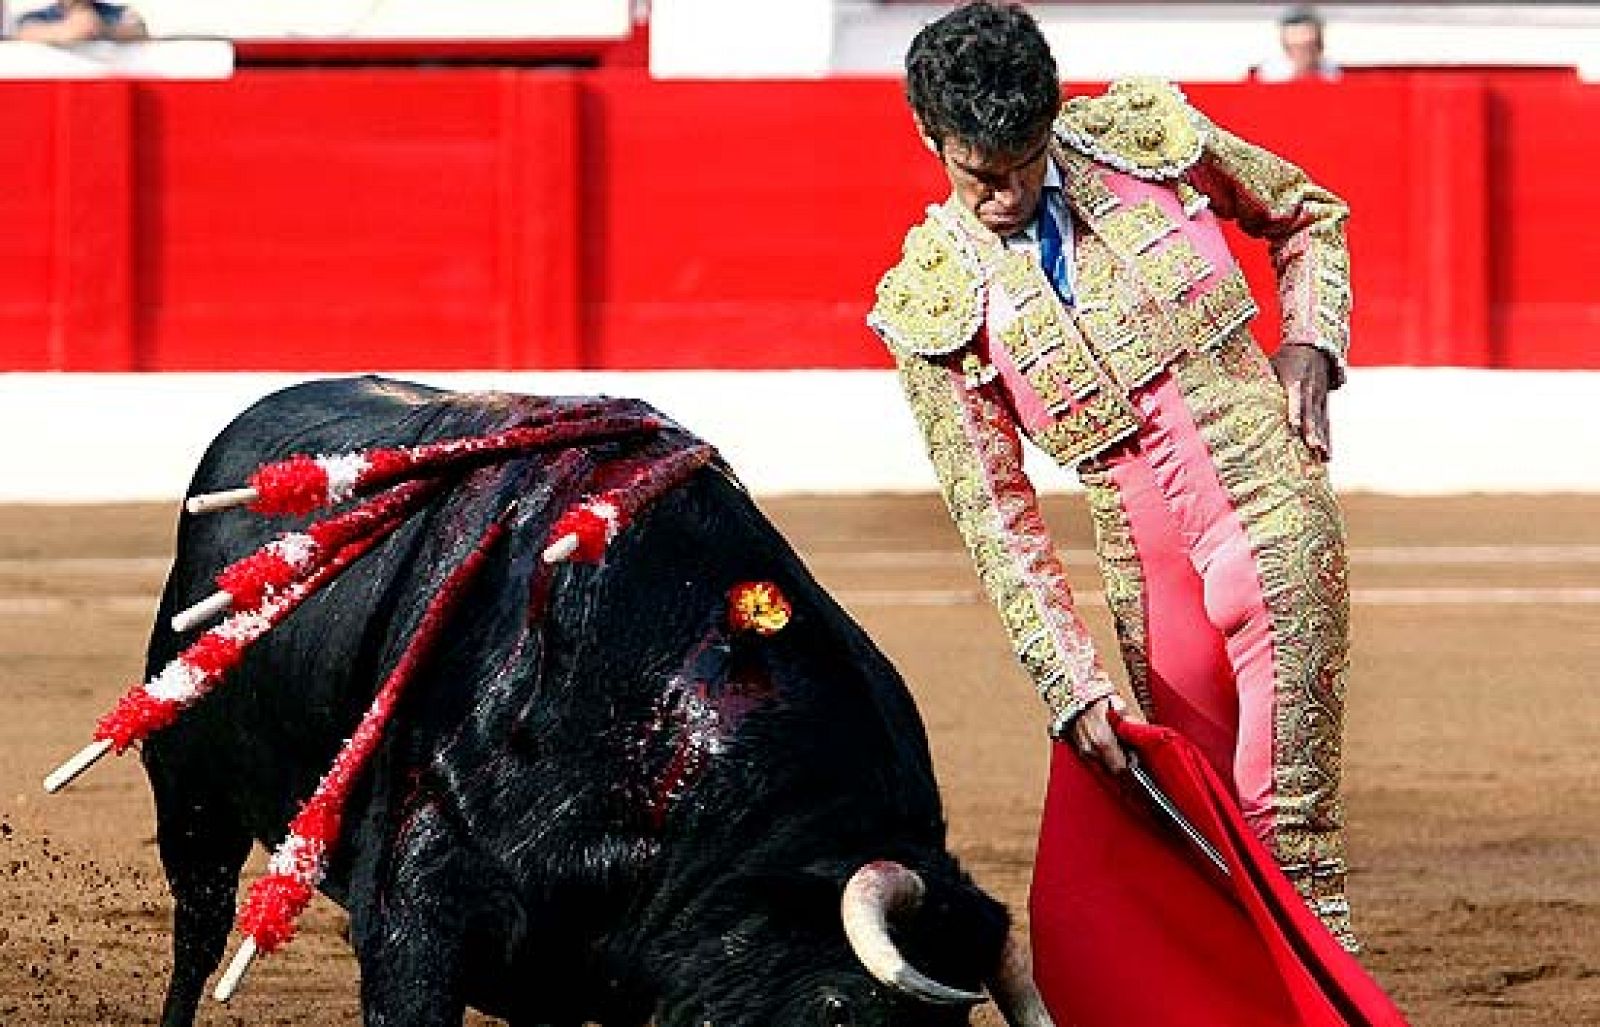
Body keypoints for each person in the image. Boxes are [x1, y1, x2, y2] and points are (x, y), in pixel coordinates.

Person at [869, 1, 1357, 949]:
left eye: (1026, 161)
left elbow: (1307, 215)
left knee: (1285, 826)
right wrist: (1072, 682)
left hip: (1273, 507)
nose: (1008, 193)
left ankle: (1328, 1007)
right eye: (981, 173)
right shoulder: (932, 295)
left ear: (1053, 115)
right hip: (1147, 574)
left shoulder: (1145, 141)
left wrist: (1309, 340)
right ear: (929, 135)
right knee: (1206, 835)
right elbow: (996, 516)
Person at [1255, 5, 1341, 83]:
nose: (1302, 41)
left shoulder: (1333, 73)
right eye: (1297, 47)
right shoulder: (1269, 76)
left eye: (1310, 46)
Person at [15, 0, 147, 43]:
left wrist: (104, 29)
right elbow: (25, 32)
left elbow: (139, 30)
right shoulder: (35, 17)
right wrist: (67, 31)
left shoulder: (119, 12)